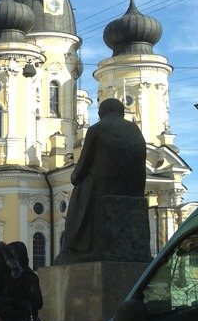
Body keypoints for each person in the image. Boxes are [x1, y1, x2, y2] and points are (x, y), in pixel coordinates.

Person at [58, 97, 147, 264]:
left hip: (106, 187)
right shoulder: (135, 129)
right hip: (135, 190)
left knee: (79, 194)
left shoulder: (97, 129)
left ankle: (74, 247)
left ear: (101, 113)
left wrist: (75, 177)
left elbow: (83, 164)